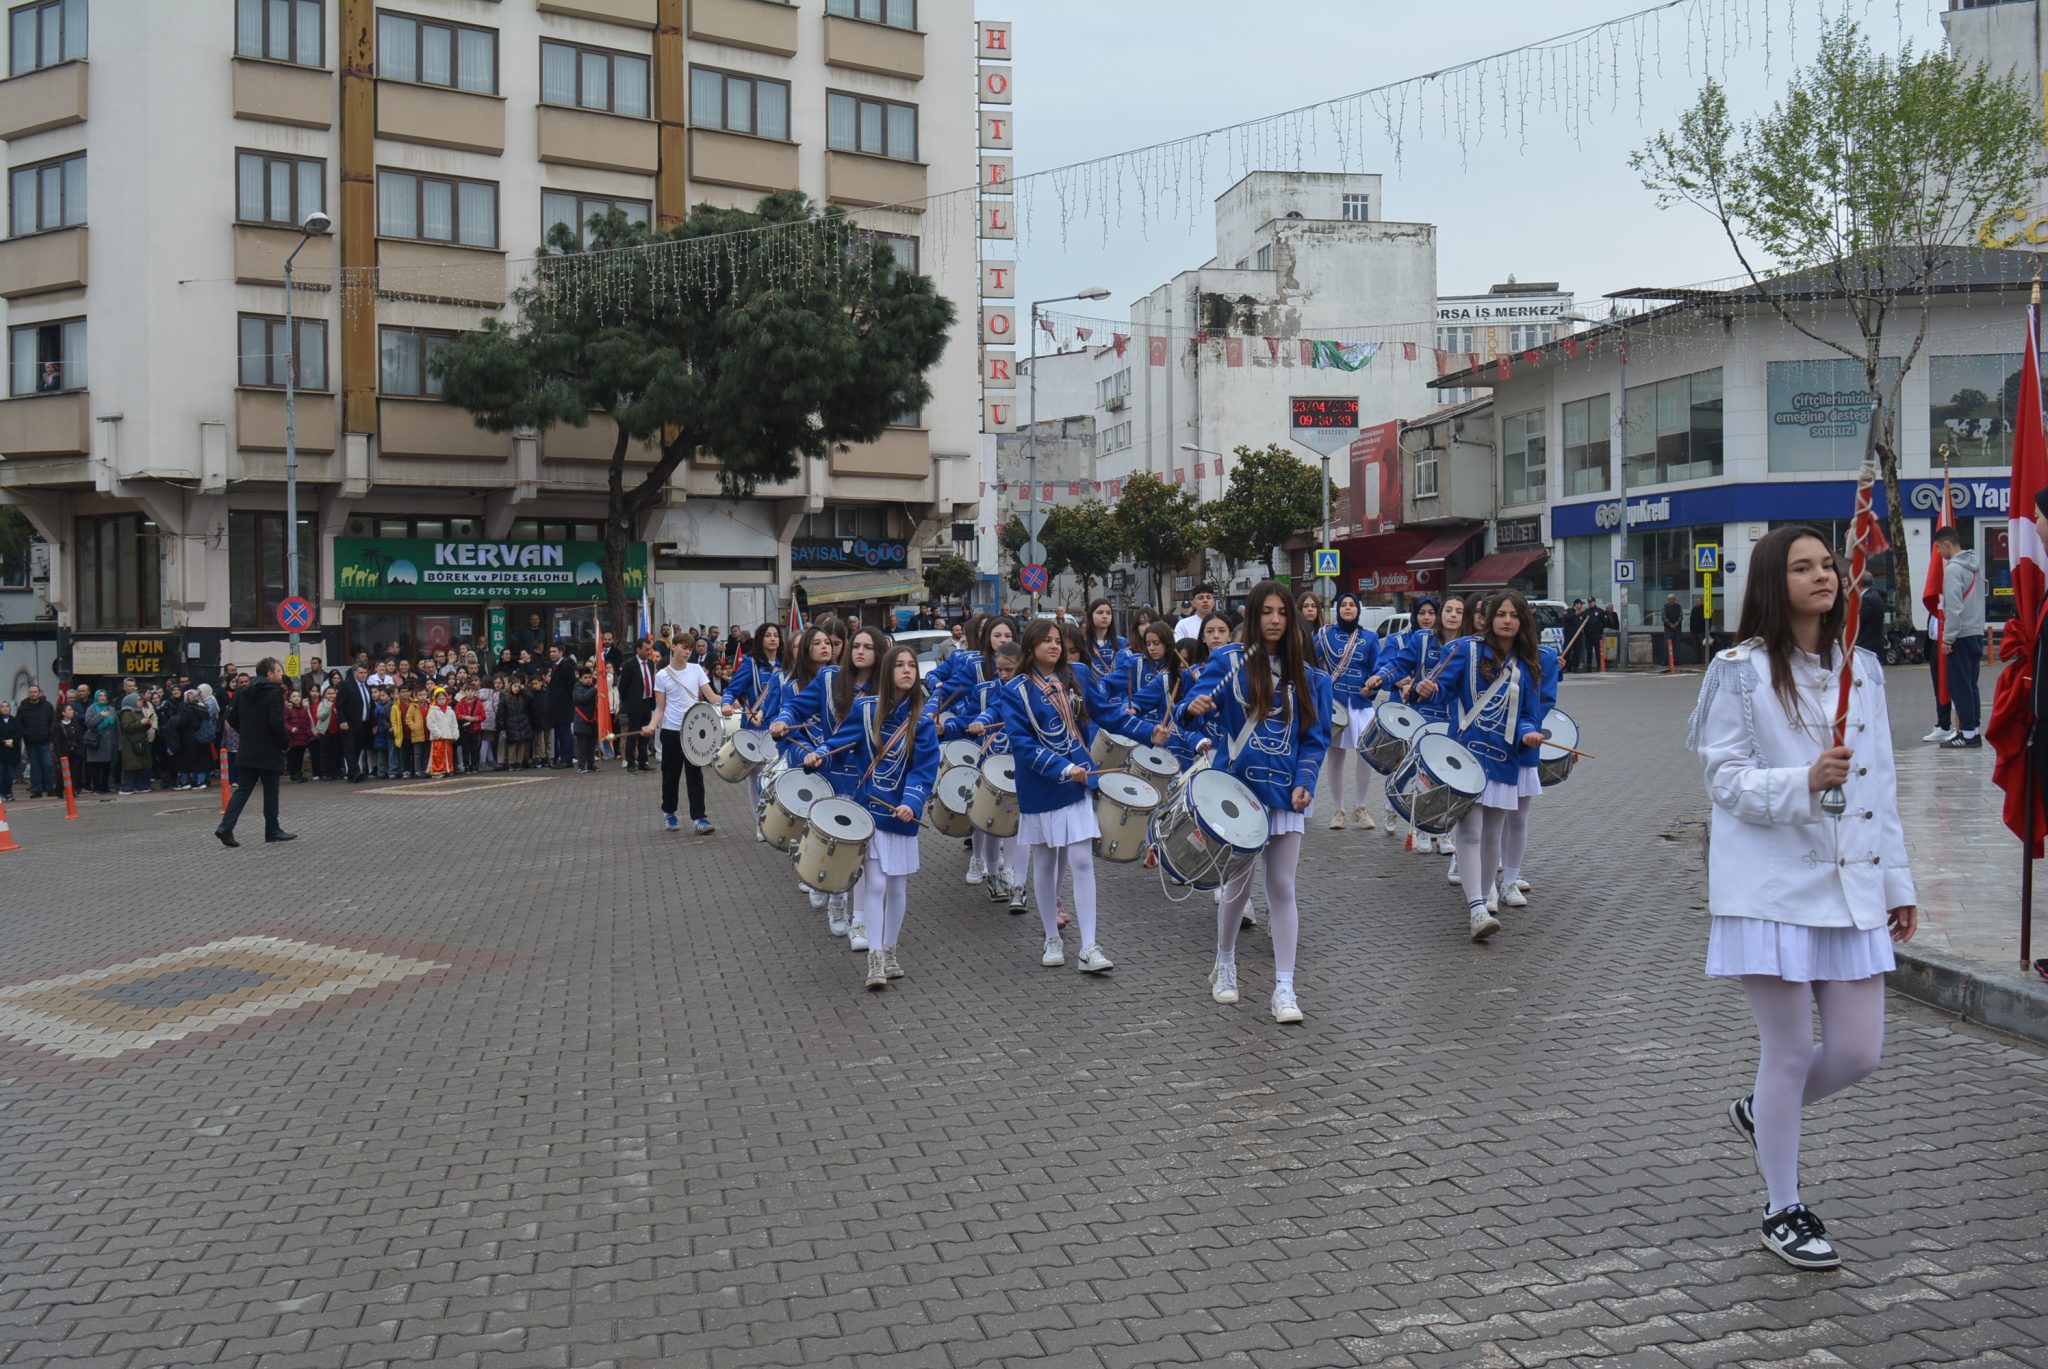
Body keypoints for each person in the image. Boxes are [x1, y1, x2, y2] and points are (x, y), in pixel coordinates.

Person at [1688, 525, 1917, 1271]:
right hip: (1770, 888)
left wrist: (1897, 883)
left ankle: (1762, 1113)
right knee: (1787, 1052)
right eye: (1802, 567)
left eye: (1828, 564)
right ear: (1771, 580)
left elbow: (1881, 787)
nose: (1823, 576)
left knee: (1857, 1052)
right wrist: (1804, 782)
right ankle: (1782, 1206)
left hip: (1850, 886)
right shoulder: (1740, 671)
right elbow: (1723, 779)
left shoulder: (1864, 668)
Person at [1180, 581, 1332, 1023]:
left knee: (1282, 887)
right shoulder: (1229, 661)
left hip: (1285, 795)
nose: (1275, 620)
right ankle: (1225, 962)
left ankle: (1285, 987)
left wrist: (1306, 781)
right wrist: (1194, 707)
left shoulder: (1311, 676)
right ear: (1252, 616)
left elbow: (1315, 739)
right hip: (1239, 793)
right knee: (1238, 886)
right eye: (1266, 612)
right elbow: (1190, 711)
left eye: (1282, 612)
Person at [807, 644, 940, 989]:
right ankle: (875, 957)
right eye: (900, 665)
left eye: (912, 666)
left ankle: (892, 950)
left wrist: (912, 801)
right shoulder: (865, 709)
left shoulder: (922, 722)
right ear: (887, 672)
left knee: (897, 887)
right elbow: (840, 741)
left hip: (902, 813)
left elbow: (924, 770)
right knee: (877, 882)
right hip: (869, 811)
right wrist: (819, 754)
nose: (908, 671)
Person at [1424, 590, 1545, 942]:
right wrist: (1429, 689)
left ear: (1522, 622)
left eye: (1514, 615)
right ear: (1490, 618)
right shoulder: (1467, 649)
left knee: (1493, 833)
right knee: (1471, 832)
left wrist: (1528, 734)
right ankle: (1476, 907)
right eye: (1501, 614)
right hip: (1466, 756)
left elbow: (1527, 714)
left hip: (1504, 759)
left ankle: (1486, 891)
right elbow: (1444, 691)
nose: (1507, 620)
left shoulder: (1527, 664)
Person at [999, 618, 1114, 975]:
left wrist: (1147, 731)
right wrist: (1062, 767)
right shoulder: (1015, 690)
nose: (1054, 646)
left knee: (1081, 859)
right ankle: (1051, 937)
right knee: (1046, 862)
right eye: (1046, 640)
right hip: (1040, 783)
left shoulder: (1075, 676)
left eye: (1057, 641)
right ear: (1030, 646)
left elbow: (1106, 712)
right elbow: (1022, 744)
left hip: (1077, 782)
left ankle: (1089, 946)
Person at [1314, 591, 1379, 831]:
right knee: (1335, 756)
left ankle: (1361, 807)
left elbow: (1378, 669)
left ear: (1358, 609)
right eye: (1344, 605)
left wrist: (1373, 686)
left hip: (1361, 705)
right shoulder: (1324, 636)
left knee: (1366, 756)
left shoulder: (1370, 638)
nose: (1348, 608)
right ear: (1338, 609)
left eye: (1352, 605)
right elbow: (1310, 663)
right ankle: (1338, 809)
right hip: (1335, 705)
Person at [213, 658, 295, 847]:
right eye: (279, 671)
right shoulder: (274, 692)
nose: (281, 674)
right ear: (269, 674)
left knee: (242, 790)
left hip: (247, 749)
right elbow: (276, 722)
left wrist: (247, 733)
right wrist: (284, 743)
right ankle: (272, 830)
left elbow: (231, 717)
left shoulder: (243, 691)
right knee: (271, 791)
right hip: (269, 750)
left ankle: (225, 827)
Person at [645, 639, 722, 835]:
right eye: (684, 648)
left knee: (695, 774)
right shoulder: (662, 675)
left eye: (690, 649)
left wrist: (729, 702)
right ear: (674, 647)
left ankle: (699, 818)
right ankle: (669, 812)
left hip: (692, 730)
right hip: (671, 730)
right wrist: (652, 726)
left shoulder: (696, 670)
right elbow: (660, 708)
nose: (688, 652)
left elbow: (712, 697)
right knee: (671, 775)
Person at [721, 623, 785, 827]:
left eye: (776, 635)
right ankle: (762, 823)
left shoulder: (787, 664)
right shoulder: (751, 663)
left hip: (779, 729)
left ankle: (777, 824)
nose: (773, 639)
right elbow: (732, 690)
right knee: (757, 778)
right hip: (754, 728)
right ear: (760, 639)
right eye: (768, 635)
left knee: (778, 777)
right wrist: (726, 704)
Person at [1934, 526, 1987, 750]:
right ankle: (1973, 731)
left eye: (1938, 548)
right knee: (1971, 685)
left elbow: (1954, 607)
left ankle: (1966, 734)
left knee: (1958, 686)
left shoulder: (1954, 570)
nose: (1939, 553)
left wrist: (1948, 639)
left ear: (1947, 544)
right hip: (1976, 631)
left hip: (1961, 634)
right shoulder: (1975, 565)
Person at [620, 640, 661, 774]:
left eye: (650, 649)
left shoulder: (650, 663)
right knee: (633, 734)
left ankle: (643, 762)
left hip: (647, 702)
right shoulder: (629, 665)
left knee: (645, 734)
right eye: (646, 649)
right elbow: (622, 687)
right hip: (635, 704)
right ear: (638, 650)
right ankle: (631, 762)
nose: (649, 652)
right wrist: (628, 703)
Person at [14, 684, 55, 798]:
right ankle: (37, 789)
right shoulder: (23, 707)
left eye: (35, 692)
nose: (33, 694)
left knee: (47, 764)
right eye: (31, 692)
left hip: (45, 741)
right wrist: (25, 735)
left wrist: (50, 736)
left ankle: (50, 788)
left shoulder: (47, 706)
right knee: (35, 766)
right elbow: (19, 724)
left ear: (39, 693)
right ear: (28, 694)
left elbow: (52, 722)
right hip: (30, 743)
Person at [338, 664, 377, 781]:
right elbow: (340, 705)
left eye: (365, 673)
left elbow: (370, 706)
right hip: (349, 723)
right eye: (360, 673)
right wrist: (342, 721)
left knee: (357, 749)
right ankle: (355, 772)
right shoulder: (346, 685)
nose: (363, 675)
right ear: (355, 673)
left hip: (363, 724)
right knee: (350, 748)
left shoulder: (367, 687)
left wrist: (373, 723)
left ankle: (351, 774)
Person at [547, 644, 578, 767]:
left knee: (565, 733)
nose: (552, 654)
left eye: (554, 651)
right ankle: (561, 758)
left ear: (561, 652)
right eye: (550, 651)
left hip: (564, 706)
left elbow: (571, 685)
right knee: (559, 734)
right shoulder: (555, 666)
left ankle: (567, 759)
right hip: (556, 706)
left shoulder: (566, 666)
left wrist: (569, 701)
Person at [427, 687, 459, 776]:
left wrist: (454, 734)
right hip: (438, 738)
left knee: (448, 754)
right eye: (439, 699)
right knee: (438, 755)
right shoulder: (433, 711)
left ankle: (448, 769)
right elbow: (431, 723)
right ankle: (438, 771)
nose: (442, 701)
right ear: (436, 699)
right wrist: (437, 734)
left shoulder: (450, 710)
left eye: (443, 698)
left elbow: (454, 724)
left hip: (448, 737)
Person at [1662, 593, 1685, 667]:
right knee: (1667, 645)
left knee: (1677, 645)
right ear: (1668, 600)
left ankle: (1676, 660)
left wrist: (1676, 624)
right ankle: (1666, 661)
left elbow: (1681, 616)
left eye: (1673, 599)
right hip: (1668, 628)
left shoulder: (1678, 606)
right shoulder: (1665, 606)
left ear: (1675, 600)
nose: (1672, 600)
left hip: (1677, 628)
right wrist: (1670, 624)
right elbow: (1663, 616)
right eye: (1670, 599)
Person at [1691, 596, 1709, 662]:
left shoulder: (1705, 609)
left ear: (1701, 601)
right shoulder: (1694, 609)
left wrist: (1707, 629)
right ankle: (1696, 659)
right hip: (1694, 630)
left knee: (1702, 646)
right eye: (1696, 601)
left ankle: (1703, 659)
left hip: (1702, 630)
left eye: (1699, 601)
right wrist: (1691, 629)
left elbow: (1709, 620)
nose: (1697, 602)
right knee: (1695, 646)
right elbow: (1691, 619)